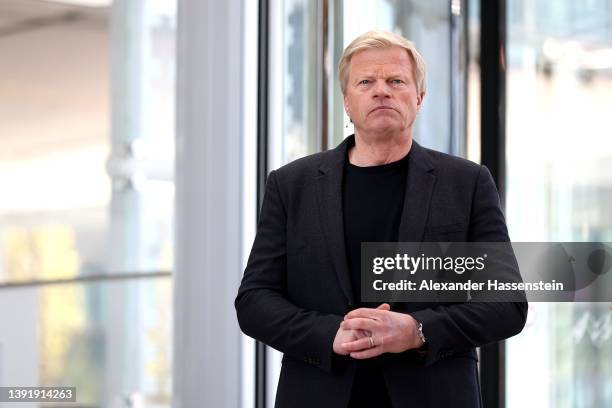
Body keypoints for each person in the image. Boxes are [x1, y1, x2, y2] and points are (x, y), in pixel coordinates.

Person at [235, 30, 527, 408]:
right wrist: (329, 335)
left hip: (434, 395)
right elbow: (255, 300)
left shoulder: (467, 183)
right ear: (347, 101)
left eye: (396, 81)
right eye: (366, 82)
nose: (381, 91)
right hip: (319, 393)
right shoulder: (291, 185)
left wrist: (417, 331)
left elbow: (507, 306)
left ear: (419, 98)